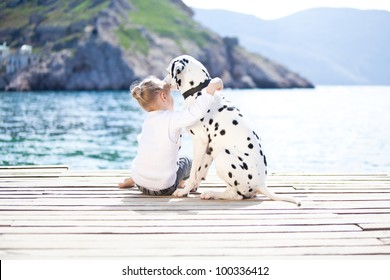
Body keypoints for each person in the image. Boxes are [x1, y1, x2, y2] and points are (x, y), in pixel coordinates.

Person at [118, 76, 223, 196]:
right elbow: (195, 112)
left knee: (150, 157)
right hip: (164, 188)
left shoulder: (147, 121)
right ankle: (182, 184)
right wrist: (210, 89)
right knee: (187, 161)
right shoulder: (172, 119)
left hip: (141, 183)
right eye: (171, 96)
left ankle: (134, 179)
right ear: (163, 97)